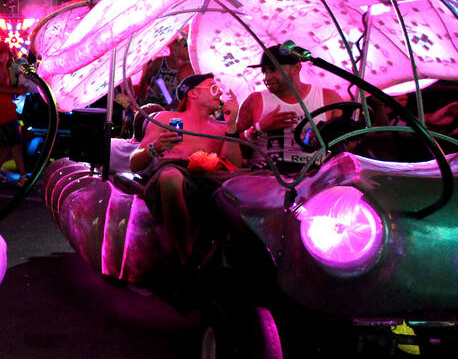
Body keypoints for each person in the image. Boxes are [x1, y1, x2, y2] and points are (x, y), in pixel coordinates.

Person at [131, 73, 243, 264]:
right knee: (171, 177)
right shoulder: (165, 118)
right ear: (192, 94)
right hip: (172, 173)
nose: (219, 95)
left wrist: (232, 126)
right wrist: (155, 147)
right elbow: (134, 163)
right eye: (214, 89)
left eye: (220, 90)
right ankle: (185, 259)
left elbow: (233, 166)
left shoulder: (221, 127)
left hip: (210, 180)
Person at [234, 42, 343, 170]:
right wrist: (259, 128)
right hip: (265, 178)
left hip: (313, 179)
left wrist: (327, 135)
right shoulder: (255, 100)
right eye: (264, 71)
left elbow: (348, 143)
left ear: (297, 68)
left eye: (273, 69)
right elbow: (233, 144)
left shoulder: (328, 97)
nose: (266, 77)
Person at [0, 42, 31, 184]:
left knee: (7, 145)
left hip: (0, 110)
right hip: (4, 110)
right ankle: (23, 177)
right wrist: (17, 91)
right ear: (5, 53)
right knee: (16, 144)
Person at [136, 35, 196, 107]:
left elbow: (184, 93)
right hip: (152, 102)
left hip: (171, 107)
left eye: (185, 45)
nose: (175, 49)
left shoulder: (186, 68)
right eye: (175, 44)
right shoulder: (160, 62)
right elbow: (145, 79)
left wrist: (171, 108)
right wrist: (142, 97)